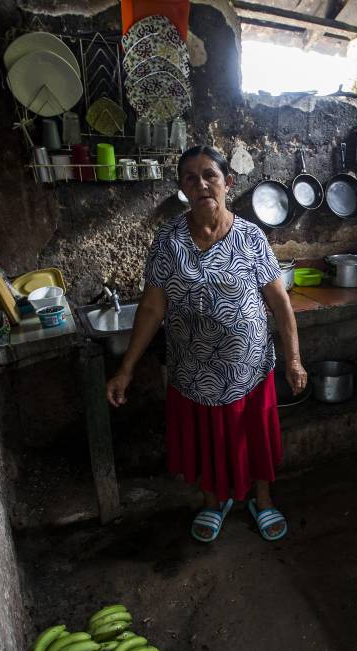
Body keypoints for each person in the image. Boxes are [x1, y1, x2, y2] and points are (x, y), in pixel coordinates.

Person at [106, 145, 306, 543]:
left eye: (209, 175)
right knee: (207, 441)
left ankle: (262, 500)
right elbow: (150, 309)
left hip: (248, 368)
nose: (201, 184)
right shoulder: (167, 240)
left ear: (227, 182)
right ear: (182, 189)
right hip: (193, 371)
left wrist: (294, 360)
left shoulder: (251, 238)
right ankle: (212, 502)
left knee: (255, 438)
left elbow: (279, 302)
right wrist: (126, 368)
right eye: (190, 178)